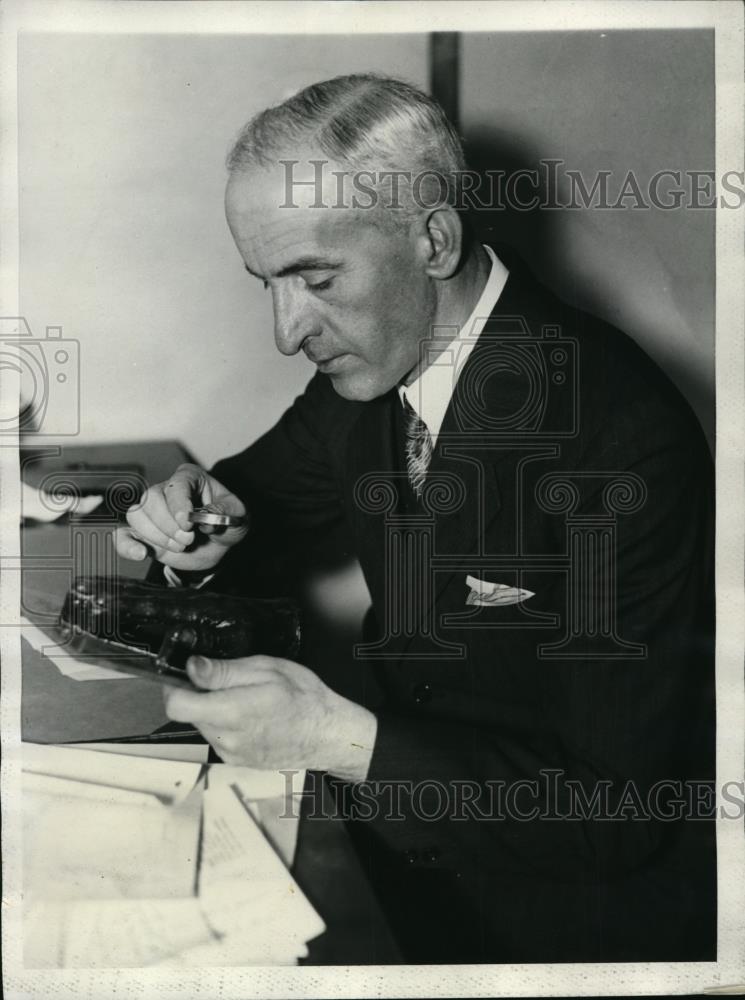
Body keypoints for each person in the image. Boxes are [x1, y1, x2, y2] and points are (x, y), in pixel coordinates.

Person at [114, 74, 716, 964]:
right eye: (269, 284)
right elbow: (254, 495)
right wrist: (196, 530)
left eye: (316, 278)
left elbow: (611, 813)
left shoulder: (620, 441)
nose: (287, 331)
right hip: (398, 841)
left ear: (432, 237)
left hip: (568, 921)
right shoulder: (376, 362)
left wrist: (338, 740)